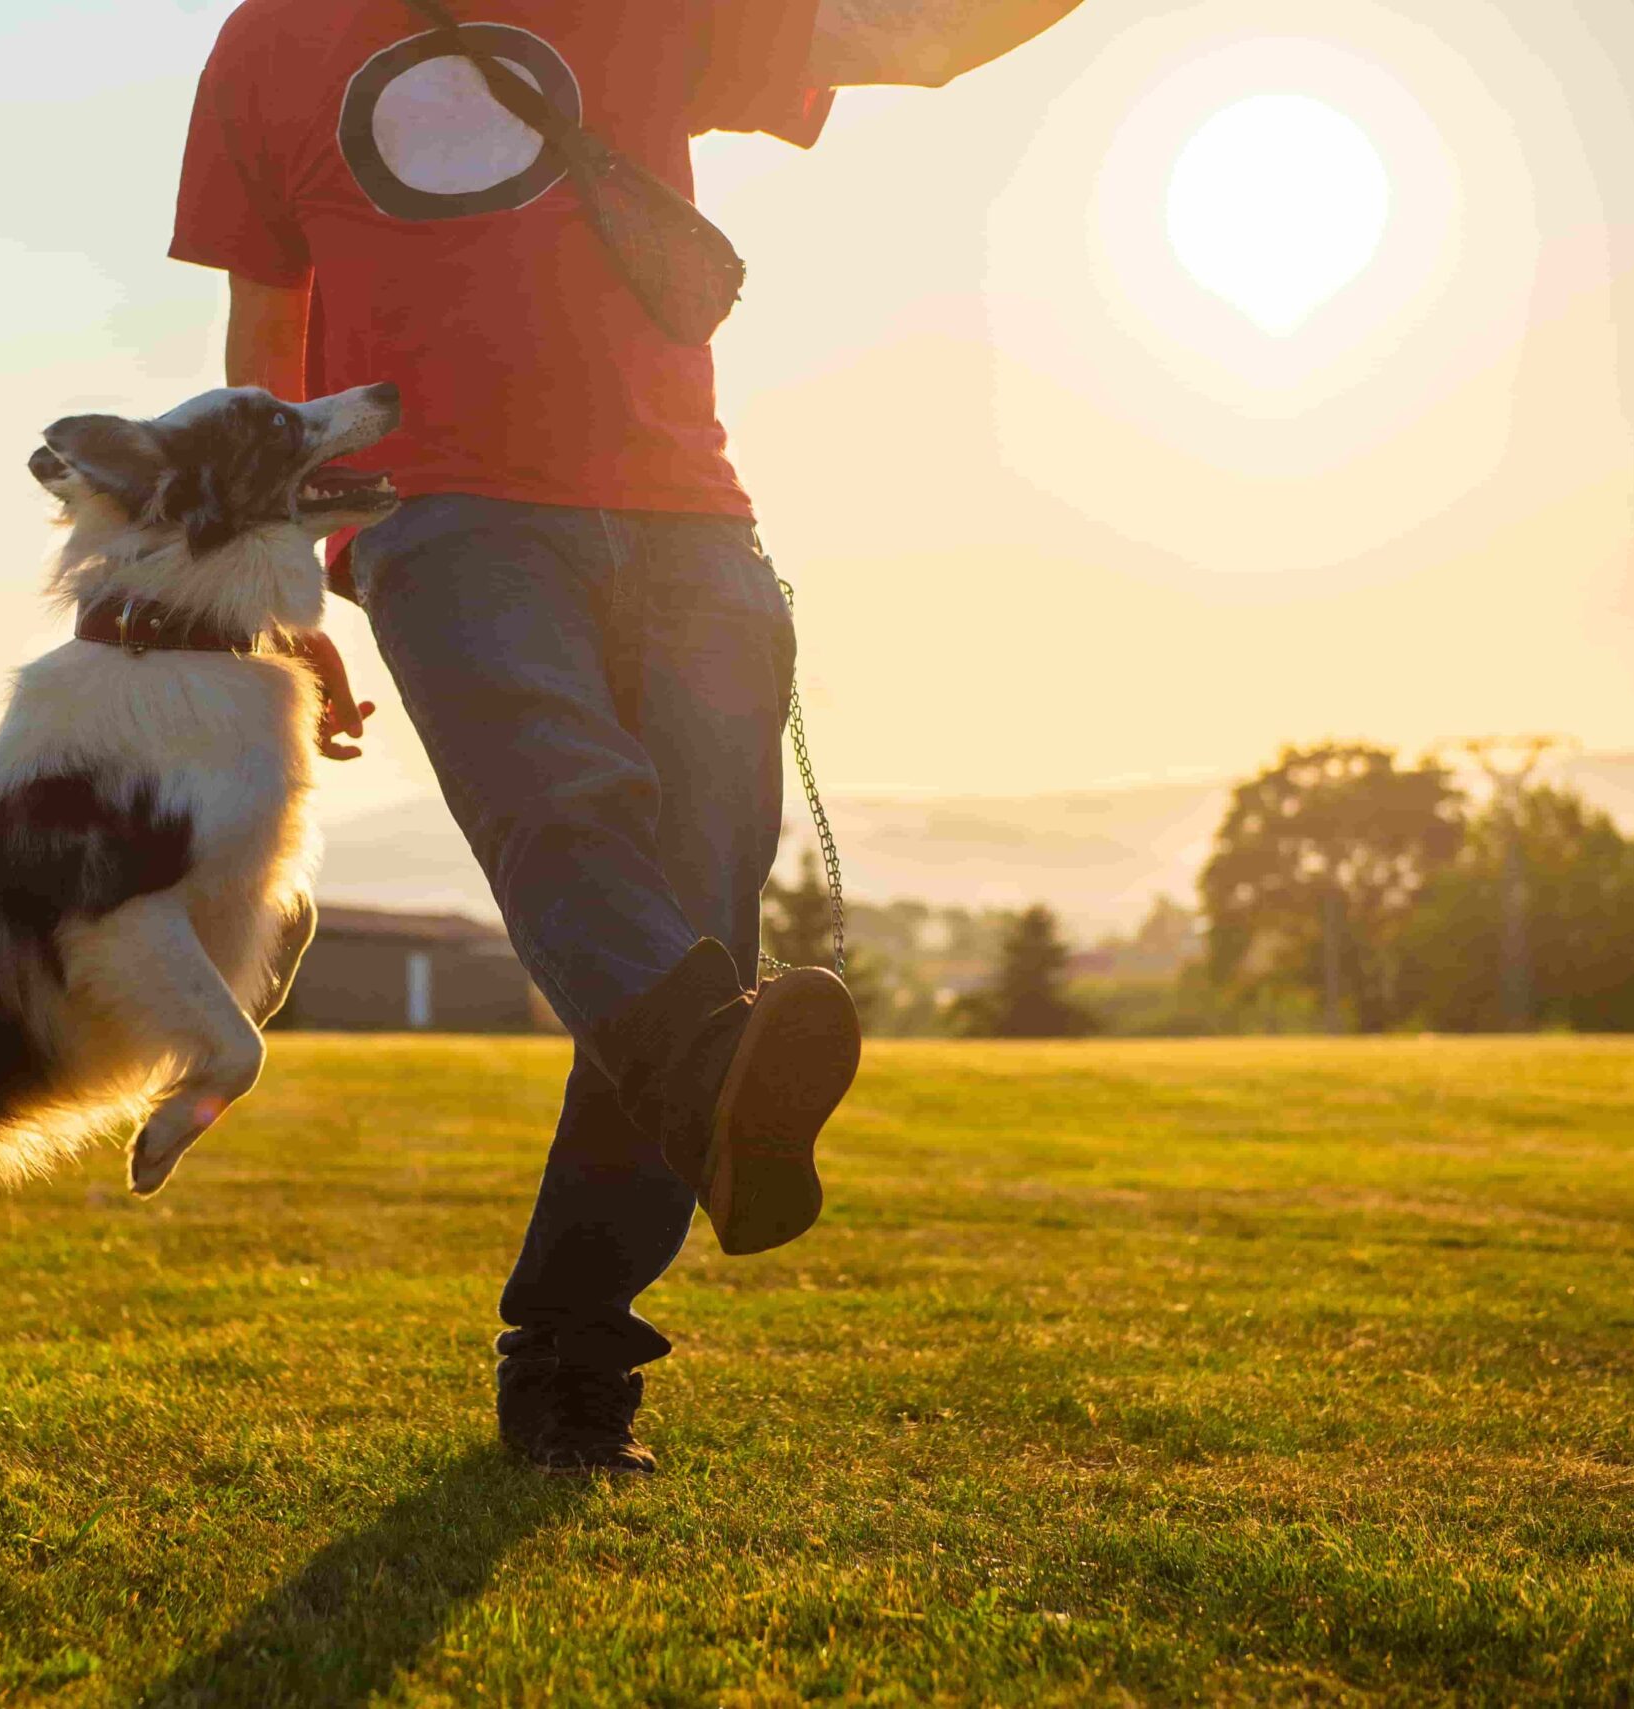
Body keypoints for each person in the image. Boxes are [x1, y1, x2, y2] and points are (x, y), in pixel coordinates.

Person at [170, 0, 1086, 1474]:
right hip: (438, 515)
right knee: (565, 816)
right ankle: (644, 1204)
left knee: (686, 929)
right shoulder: (270, 38)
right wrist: (273, 582)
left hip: (693, 525)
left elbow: (917, 39)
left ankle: (575, 1346)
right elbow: (264, 335)